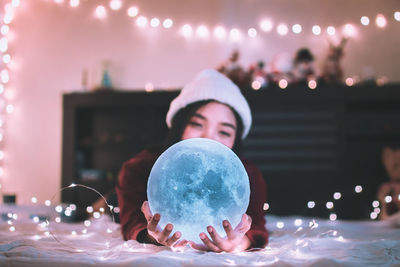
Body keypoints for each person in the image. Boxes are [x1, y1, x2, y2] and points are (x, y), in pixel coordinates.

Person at [116, 69, 268, 252]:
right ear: (179, 126)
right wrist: (152, 237)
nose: (208, 138)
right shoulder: (141, 167)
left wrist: (240, 243)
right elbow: (131, 223)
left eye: (224, 132)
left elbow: (257, 228)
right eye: (197, 124)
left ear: (235, 141)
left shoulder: (246, 175)